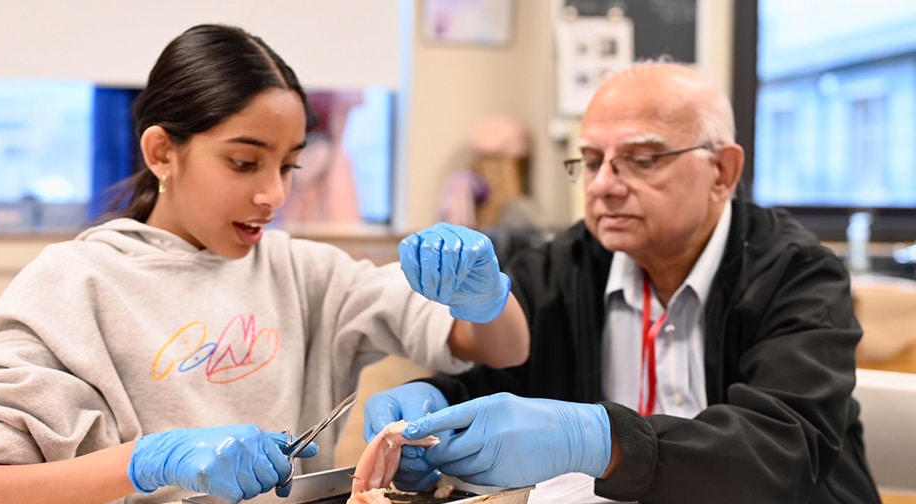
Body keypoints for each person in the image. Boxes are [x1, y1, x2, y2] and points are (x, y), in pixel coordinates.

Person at [0, 24, 529, 504]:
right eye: (243, 162)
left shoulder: (306, 275)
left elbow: (505, 349)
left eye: (288, 167)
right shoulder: (71, 286)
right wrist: (145, 463)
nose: (274, 195)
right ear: (162, 152)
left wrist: (484, 297)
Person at [365, 61, 881, 503]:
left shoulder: (798, 273)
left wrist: (604, 440)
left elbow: (783, 450)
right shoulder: (564, 264)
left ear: (722, 171)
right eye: (591, 162)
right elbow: (501, 385)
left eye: (641, 160)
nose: (605, 186)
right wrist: (429, 406)